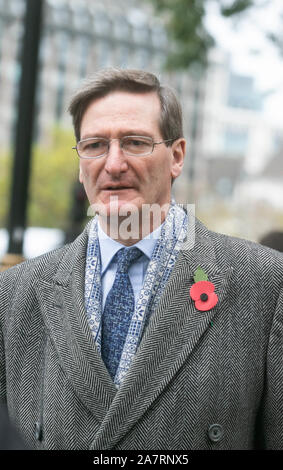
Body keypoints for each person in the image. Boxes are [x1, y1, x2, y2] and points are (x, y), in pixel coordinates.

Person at [0, 68, 282, 451]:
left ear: (177, 156)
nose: (113, 164)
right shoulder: (15, 293)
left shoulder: (263, 283)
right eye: (95, 145)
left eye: (134, 143)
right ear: (80, 161)